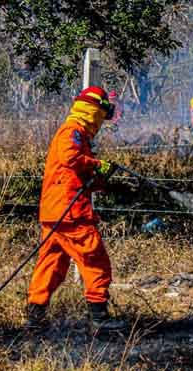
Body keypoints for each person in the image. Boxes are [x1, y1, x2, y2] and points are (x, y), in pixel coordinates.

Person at [25, 86, 126, 333]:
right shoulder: (73, 131)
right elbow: (70, 158)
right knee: (95, 259)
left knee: (51, 264)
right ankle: (99, 319)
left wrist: (101, 179)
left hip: (55, 211)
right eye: (102, 115)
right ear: (93, 111)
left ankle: (35, 317)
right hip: (70, 211)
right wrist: (98, 164)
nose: (102, 121)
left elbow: (73, 171)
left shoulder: (75, 132)